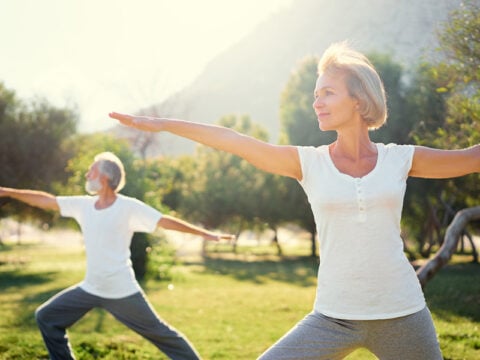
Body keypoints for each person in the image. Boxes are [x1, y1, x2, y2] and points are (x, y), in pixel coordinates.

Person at [109, 41, 480, 360]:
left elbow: (470, 157)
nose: (316, 102)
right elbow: (234, 141)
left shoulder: (400, 159)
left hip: (402, 312)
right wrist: (163, 124)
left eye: (327, 93)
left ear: (358, 99)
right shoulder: (309, 164)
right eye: (315, 94)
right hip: (334, 317)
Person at [0, 151, 234, 360]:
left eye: (91, 170)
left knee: (163, 335)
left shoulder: (128, 207)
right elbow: (47, 201)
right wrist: (8, 192)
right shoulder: (83, 205)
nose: (86, 175)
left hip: (121, 290)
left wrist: (207, 234)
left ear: (104, 178)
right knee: (47, 317)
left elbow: (164, 221)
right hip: (90, 288)